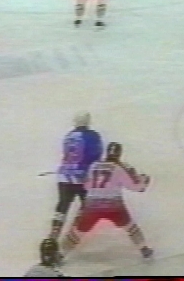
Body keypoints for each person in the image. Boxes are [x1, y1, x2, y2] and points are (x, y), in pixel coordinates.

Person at [61, 142, 153, 261]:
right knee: (131, 227)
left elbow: (86, 186)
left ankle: (61, 255)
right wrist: (144, 181)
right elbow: (135, 187)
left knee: (78, 232)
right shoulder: (119, 168)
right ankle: (144, 249)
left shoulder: (94, 165)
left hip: (92, 205)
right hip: (114, 206)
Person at [49, 112, 104, 240]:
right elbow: (96, 155)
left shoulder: (69, 136)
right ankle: (73, 233)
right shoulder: (93, 136)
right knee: (87, 205)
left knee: (62, 205)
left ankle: (54, 234)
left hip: (64, 176)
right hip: (84, 178)